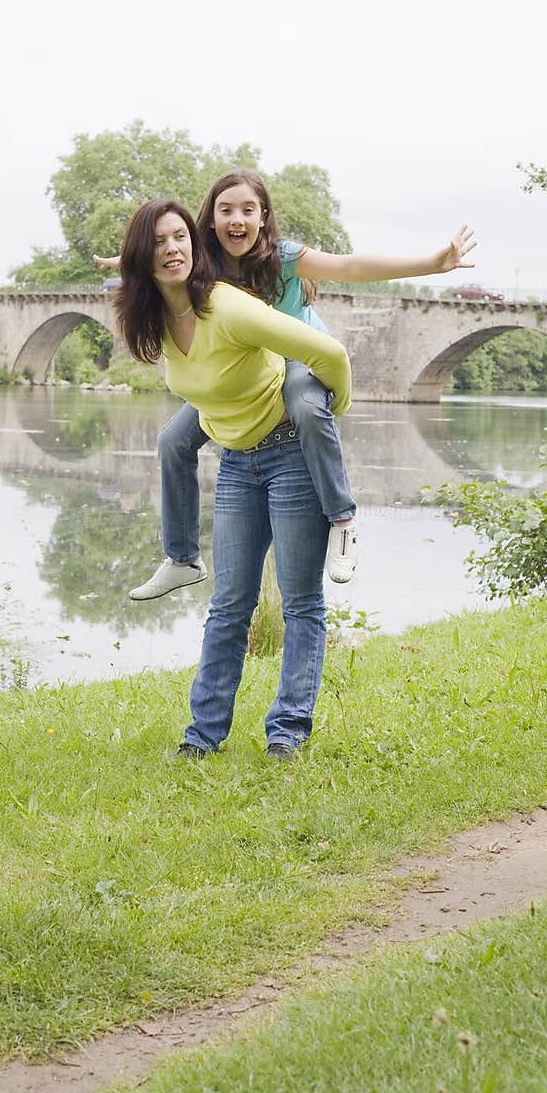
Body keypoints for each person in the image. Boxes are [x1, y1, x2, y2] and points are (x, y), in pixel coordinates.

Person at [95, 168, 476, 600]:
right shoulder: (205, 261)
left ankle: (343, 520)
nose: (236, 219)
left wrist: (432, 262)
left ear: (263, 217)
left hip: (299, 356)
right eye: (226, 210)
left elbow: (350, 266)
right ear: (211, 220)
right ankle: (182, 558)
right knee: (172, 442)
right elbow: (162, 255)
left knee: (307, 407)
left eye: (247, 210)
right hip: (248, 370)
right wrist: (130, 261)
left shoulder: (284, 257)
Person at [113, 198, 352, 762]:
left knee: (300, 603)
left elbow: (329, 351)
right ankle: (202, 738)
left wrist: (330, 408)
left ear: (194, 247)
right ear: (143, 259)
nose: (172, 249)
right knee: (229, 606)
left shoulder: (227, 304)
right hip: (239, 465)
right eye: (159, 242)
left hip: (291, 454)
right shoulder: (157, 320)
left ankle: (286, 733)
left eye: (179, 238)